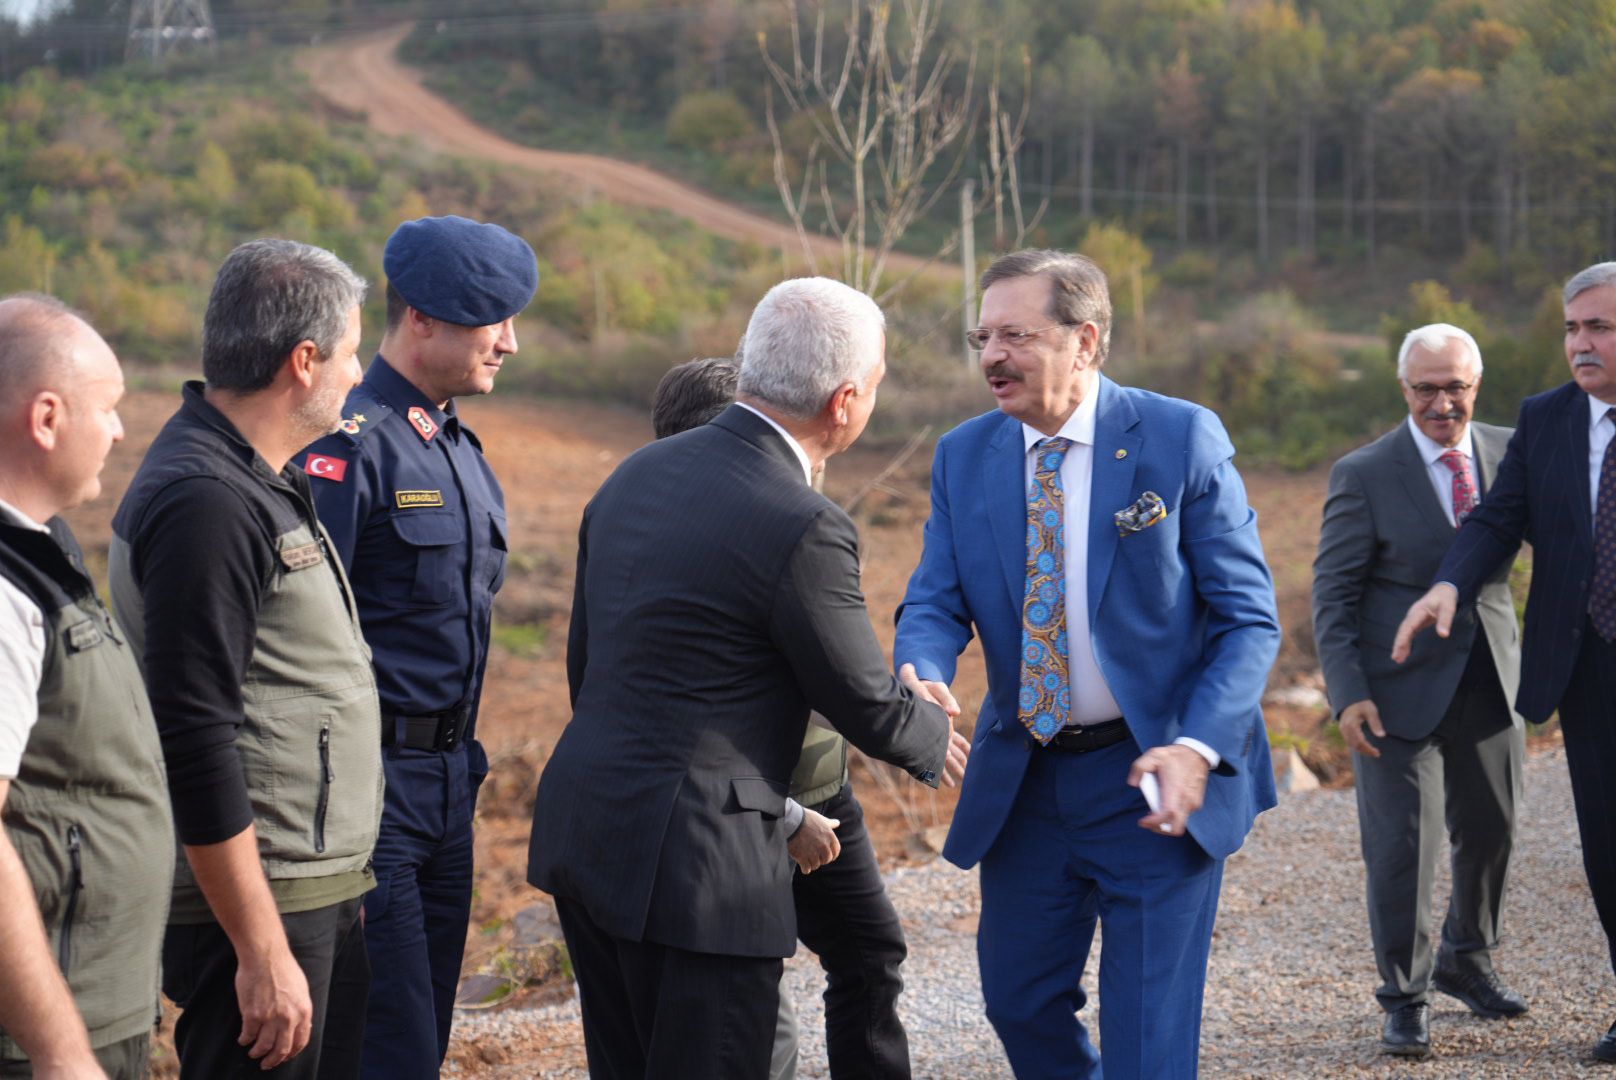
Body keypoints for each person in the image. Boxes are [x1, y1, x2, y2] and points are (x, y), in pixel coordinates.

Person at [528, 277, 967, 1079]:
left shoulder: (634, 476)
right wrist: (936, 734)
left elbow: (589, 669)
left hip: (589, 831)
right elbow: (861, 698)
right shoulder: (802, 520)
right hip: (701, 871)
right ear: (844, 402)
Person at [894, 249, 1280, 1079]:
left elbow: (1250, 620)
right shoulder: (965, 455)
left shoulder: (1177, 437)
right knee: (1019, 1002)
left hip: (1154, 773)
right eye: (982, 335)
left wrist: (1196, 747)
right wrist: (920, 662)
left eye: (1016, 335)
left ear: (1088, 342)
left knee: (1147, 1039)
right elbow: (933, 595)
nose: (992, 355)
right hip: (1028, 780)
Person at [109, 240, 384, 1079]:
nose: (358, 372)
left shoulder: (248, 476)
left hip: (303, 885)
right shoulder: (208, 502)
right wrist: (261, 950)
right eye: (350, 352)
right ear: (304, 362)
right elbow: (195, 734)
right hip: (263, 903)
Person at [298, 215, 537, 1079]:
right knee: (382, 1048)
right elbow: (304, 638)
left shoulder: (459, 449)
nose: (509, 343)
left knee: (422, 1038)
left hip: (450, 791)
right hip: (372, 798)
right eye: (490, 321)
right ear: (422, 321)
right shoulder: (348, 445)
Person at [651, 356, 916, 1080]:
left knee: (869, 954)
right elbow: (677, 724)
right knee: (750, 1003)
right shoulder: (664, 538)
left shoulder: (795, 514)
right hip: (738, 809)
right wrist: (786, 813)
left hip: (820, 789)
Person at [1395, 261, 1616, 1065]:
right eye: (1572, 328)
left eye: (1600, 328)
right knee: (1607, 847)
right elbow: (1496, 519)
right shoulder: (1547, 419)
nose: (1580, 343)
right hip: (1587, 662)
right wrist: (1450, 584)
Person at [1312, 323, 1526, 1058]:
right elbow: (1332, 596)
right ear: (1404, 390)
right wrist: (1347, 694)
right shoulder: (1365, 473)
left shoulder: (1511, 450)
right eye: (1427, 388)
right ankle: (1404, 996)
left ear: (1477, 385)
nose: (1443, 402)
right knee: (1404, 848)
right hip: (1395, 693)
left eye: (1456, 387)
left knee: (1493, 828)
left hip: (1493, 680)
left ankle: (1469, 957)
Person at [0, 295, 173, 1079]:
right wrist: (60, 1050)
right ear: (45, 418)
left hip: (89, 1003)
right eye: (106, 409)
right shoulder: (5, 590)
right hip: (44, 1035)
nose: (118, 430)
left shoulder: (41, 553)